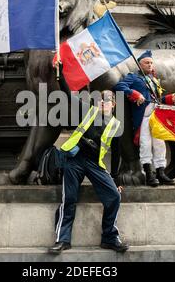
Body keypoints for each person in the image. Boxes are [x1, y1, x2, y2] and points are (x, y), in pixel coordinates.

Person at [49, 63, 128, 255]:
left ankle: (109, 237)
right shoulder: (87, 111)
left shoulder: (116, 125)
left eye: (107, 100)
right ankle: (63, 240)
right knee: (69, 200)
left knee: (113, 197)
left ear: (113, 104)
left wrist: (115, 179)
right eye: (101, 99)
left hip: (95, 165)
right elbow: (68, 96)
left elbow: (117, 154)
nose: (103, 102)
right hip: (74, 161)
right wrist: (60, 75)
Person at [114, 50, 175, 186]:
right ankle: (149, 174)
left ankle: (161, 173)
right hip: (143, 116)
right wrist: (134, 93)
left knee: (159, 144)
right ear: (140, 65)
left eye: (151, 62)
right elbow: (119, 86)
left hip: (156, 115)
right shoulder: (133, 77)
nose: (150, 65)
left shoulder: (154, 80)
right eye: (147, 62)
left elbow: (155, 100)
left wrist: (167, 99)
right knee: (145, 144)